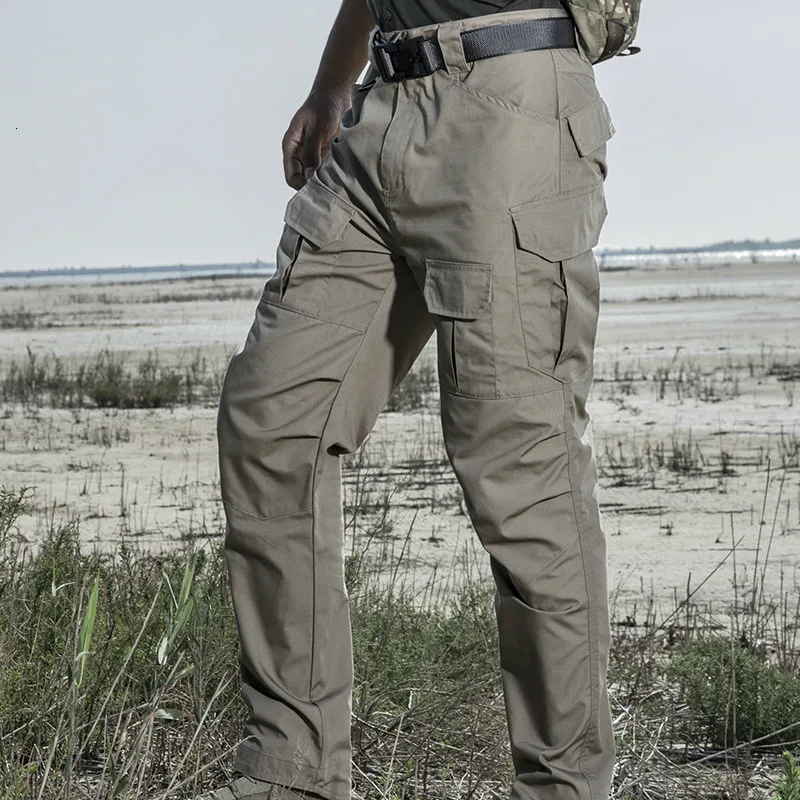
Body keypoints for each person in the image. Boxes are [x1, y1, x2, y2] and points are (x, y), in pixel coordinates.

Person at [209, 0, 616, 797]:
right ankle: (294, 775)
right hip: (381, 105)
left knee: (519, 470)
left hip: (506, 96)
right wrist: (332, 86)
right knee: (271, 420)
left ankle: (565, 788)